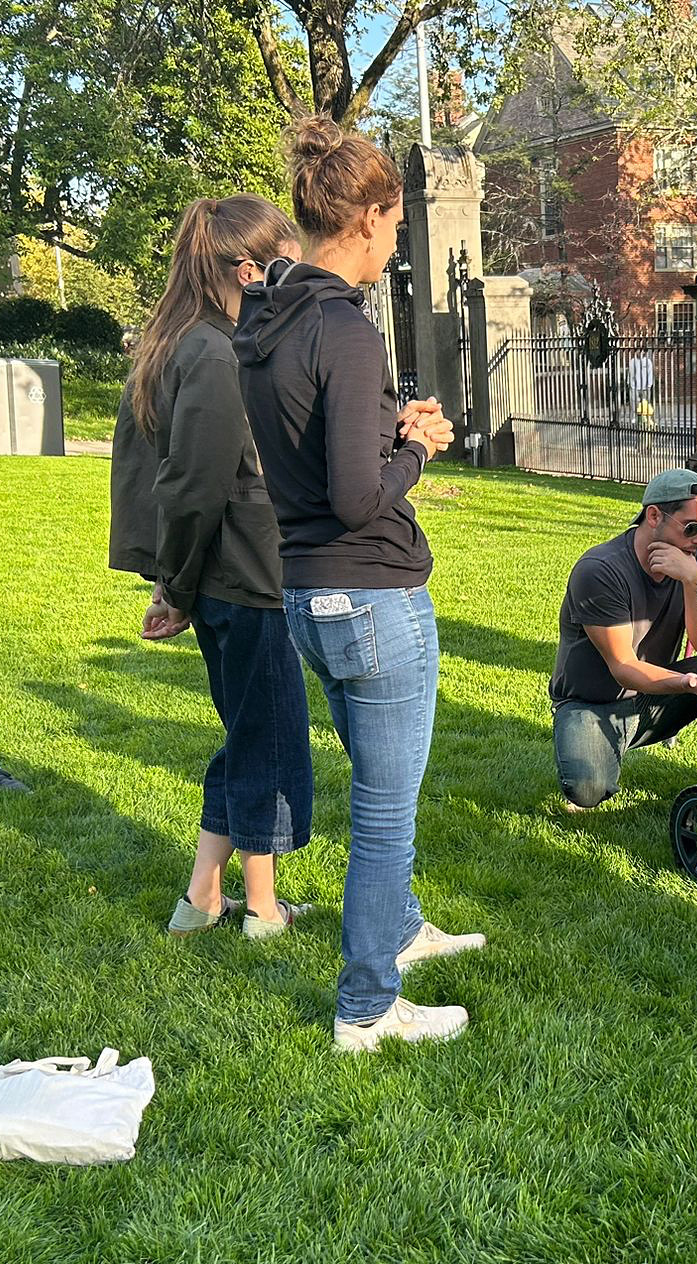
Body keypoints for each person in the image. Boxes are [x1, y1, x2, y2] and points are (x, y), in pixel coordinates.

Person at [235, 117, 483, 1054]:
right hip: (371, 595)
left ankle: (400, 928)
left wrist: (384, 427)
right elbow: (352, 498)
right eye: (395, 223)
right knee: (385, 809)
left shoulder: (270, 315)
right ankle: (368, 1006)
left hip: (306, 596)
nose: (396, 243)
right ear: (374, 216)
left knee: (378, 790)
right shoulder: (341, 325)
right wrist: (414, 446)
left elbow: (310, 452)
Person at [107, 194, 315, 940]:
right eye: (287, 262)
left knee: (250, 733)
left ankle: (201, 899)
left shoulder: (186, 341)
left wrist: (178, 584)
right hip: (244, 577)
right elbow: (194, 487)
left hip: (227, 575)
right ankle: (260, 910)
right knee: (268, 739)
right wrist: (179, 588)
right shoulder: (216, 349)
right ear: (250, 268)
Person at [550, 469, 697, 808]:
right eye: (691, 528)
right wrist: (684, 681)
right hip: (591, 704)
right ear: (654, 516)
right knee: (588, 791)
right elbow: (624, 667)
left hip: (653, 696)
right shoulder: (600, 569)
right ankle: (587, 752)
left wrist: (694, 581)